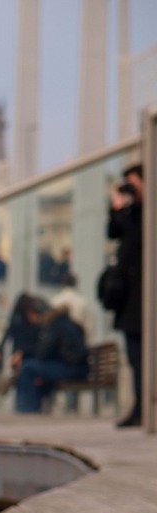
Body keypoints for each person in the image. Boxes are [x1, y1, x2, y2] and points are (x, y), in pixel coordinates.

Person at [105, 163, 143, 427]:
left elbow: (136, 235)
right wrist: (116, 205)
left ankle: (143, 408)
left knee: (141, 356)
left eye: (133, 182)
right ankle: (140, 406)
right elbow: (113, 232)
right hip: (130, 300)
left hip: (142, 299)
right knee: (133, 356)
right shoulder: (131, 211)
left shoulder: (146, 213)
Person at [15, 307, 89, 414]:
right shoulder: (72, 324)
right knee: (33, 369)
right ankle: (29, 407)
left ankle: (27, 410)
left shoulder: (56, 326)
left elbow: (43, 353)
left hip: (71, 368)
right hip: (80, 368)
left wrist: (24, 355)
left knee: (27, 368)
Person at [0, 293, 48, 393]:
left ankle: (5, 384)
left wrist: (21, 354)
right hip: (22, 354)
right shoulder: (22, 321)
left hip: (27, 356)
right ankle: (5, 383)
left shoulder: (37, 326)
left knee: (20, 372)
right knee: (16, 371)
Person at [51, 272, 92, 340]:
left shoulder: (55, 300)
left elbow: (51, 325)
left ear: (63, 283)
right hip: (78, 342)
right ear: (76, 283)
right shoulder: (83, 301)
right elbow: (88, 326)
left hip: (59, 343)